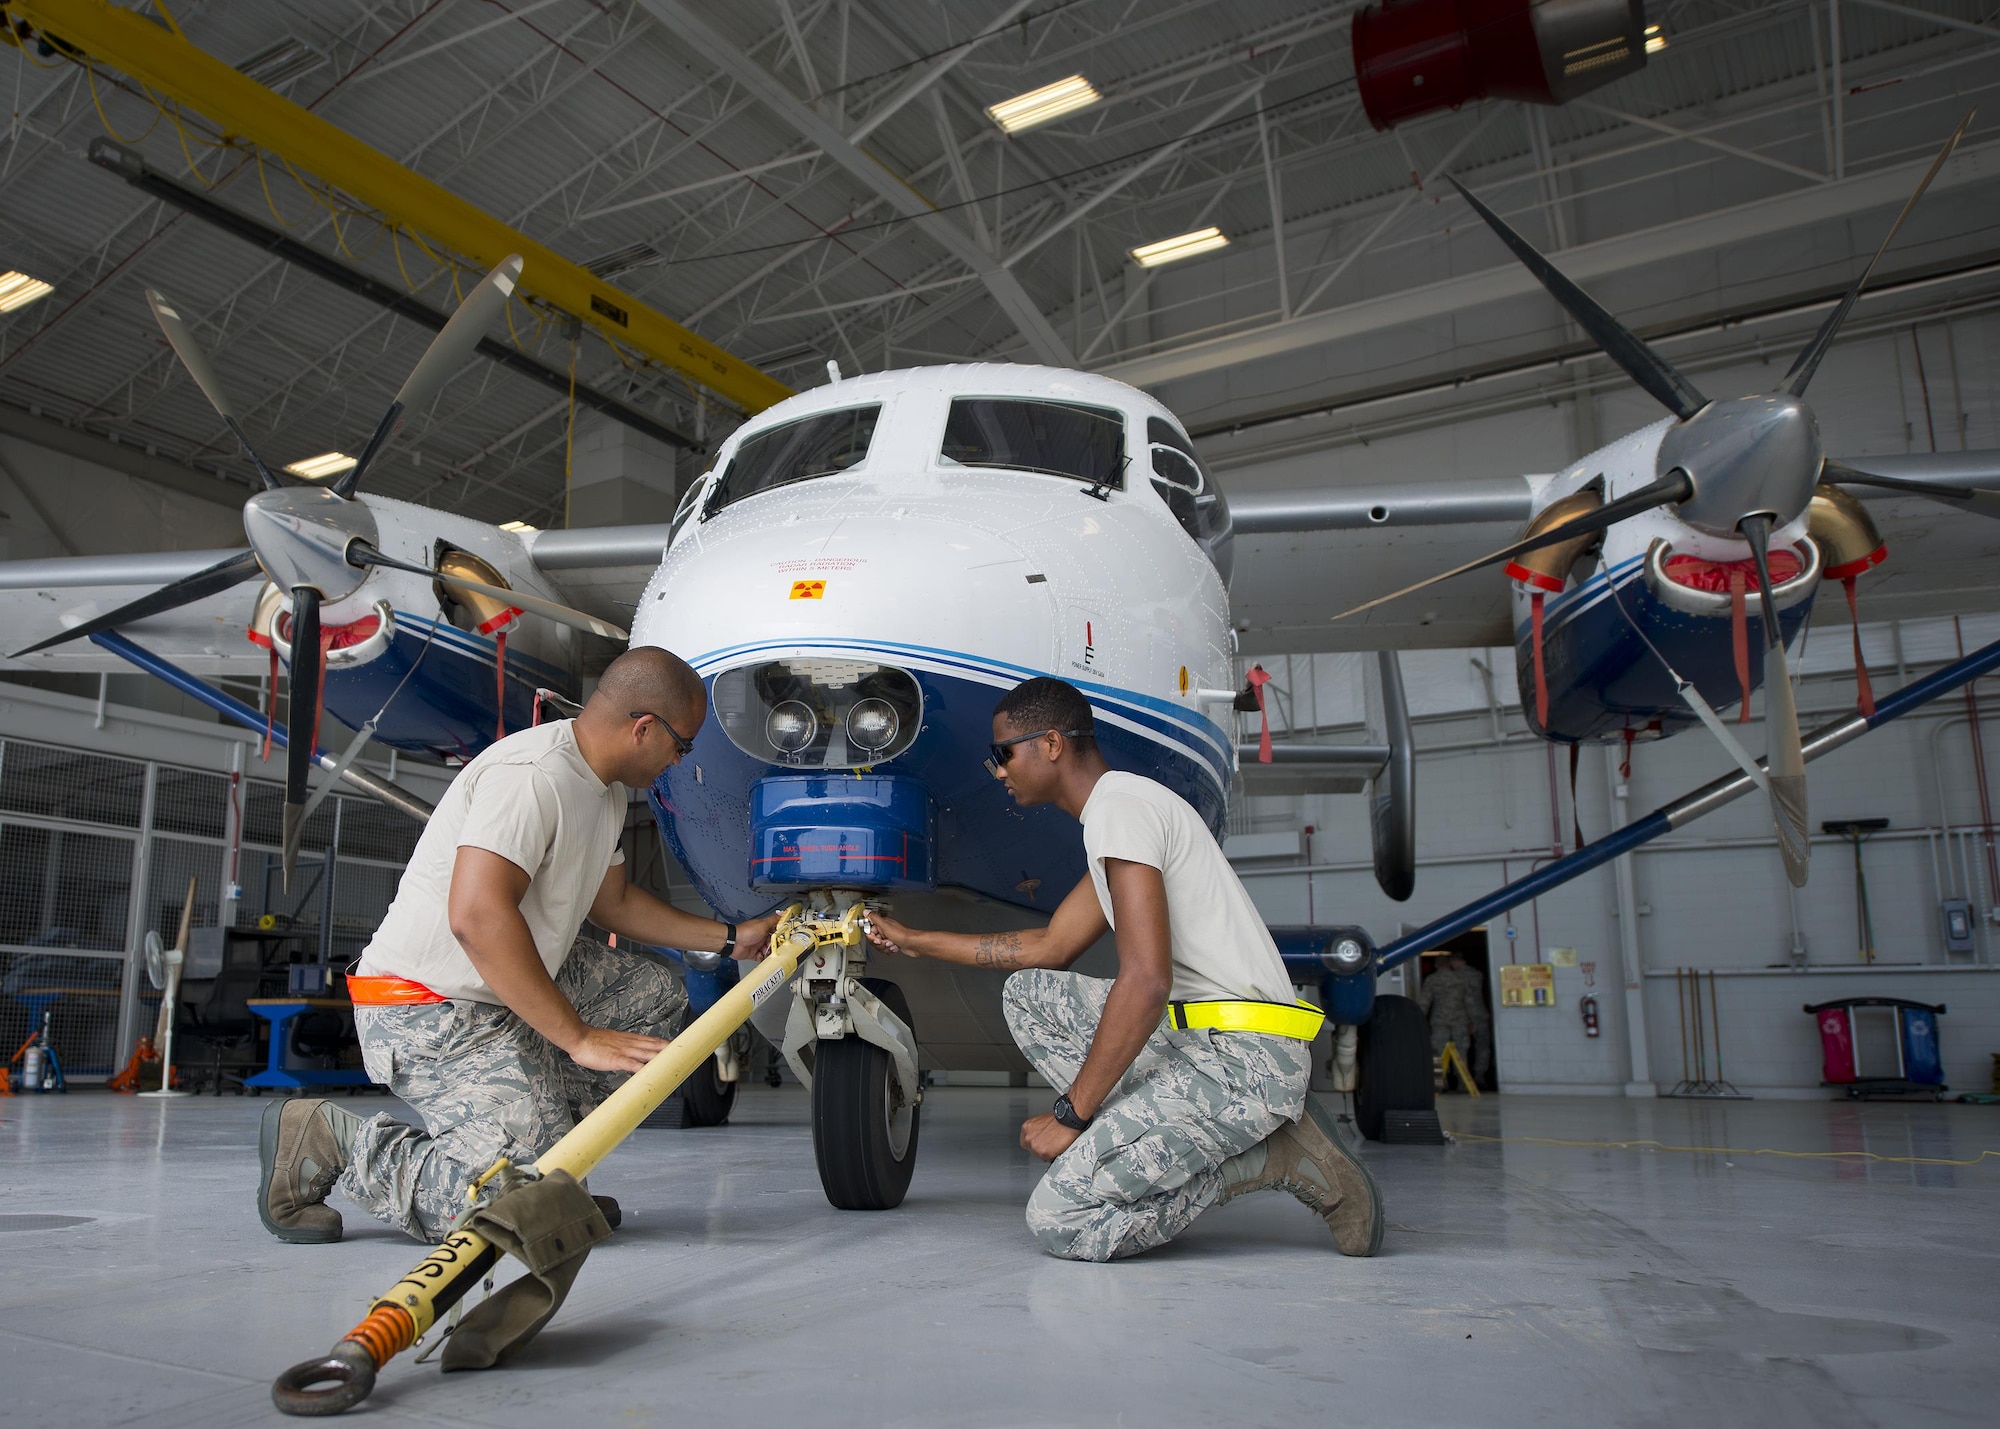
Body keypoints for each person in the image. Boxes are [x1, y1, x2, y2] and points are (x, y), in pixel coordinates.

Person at [256, 646, 779, 1245]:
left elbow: (614, 903)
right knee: (515, 1213)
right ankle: (332, 1139)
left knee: (651, 991)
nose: (679, 761)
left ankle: (550, 1159)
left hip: (495, 990)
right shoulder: (533, 778)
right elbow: (477, 917)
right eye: (681, 746)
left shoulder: (602, 788)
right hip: (425, 1006)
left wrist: (732, 937)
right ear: (643, 729)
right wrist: (577, 1039)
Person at [865, 677, 1383, 1263]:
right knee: (1029, 996)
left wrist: (1071, 1114)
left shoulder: (1121, 812)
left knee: (1060, 1220)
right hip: (1204, 1041)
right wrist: (915, 939)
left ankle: (1268, 1160)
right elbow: (1050, 945)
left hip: (1247, 1060)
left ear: (1052, 744)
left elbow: (1146, 978)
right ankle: (1144, 1142)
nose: (999, 771)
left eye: (1003, 754)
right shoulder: (1121, 812)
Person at [1418, 952, 1491, 1090]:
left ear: (1436, 965)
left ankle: (1439, 1083)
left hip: (1439, 1021)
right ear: (1449, 964)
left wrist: (1419, 1021)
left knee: (1437, 1052)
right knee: (1461, 1052)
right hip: (1460, 1021)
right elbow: (1470, 1002)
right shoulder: (1461, 979)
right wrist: (1474, 1021)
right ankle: (1462, 1083)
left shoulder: (1432, 980)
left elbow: (1424, 1003)